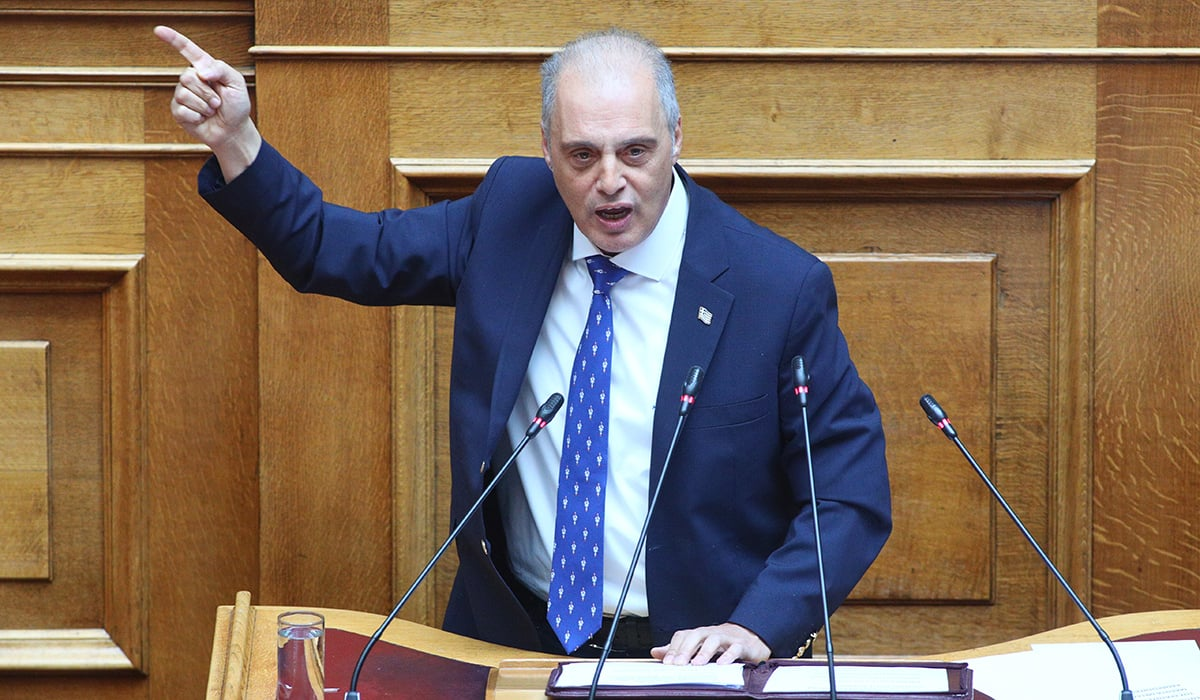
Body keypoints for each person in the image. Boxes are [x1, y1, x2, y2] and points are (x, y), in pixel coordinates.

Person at [155, 24, 892, 666]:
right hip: (514, 641)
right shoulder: (510, 215)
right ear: (546, 150)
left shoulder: (775, 287)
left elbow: (848, 495)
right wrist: (237, 140)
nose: (611, 182)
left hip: (690, 655)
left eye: (636, 151)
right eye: (582, 156)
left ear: (676, 138)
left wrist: (755, 626)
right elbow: (335, 249)